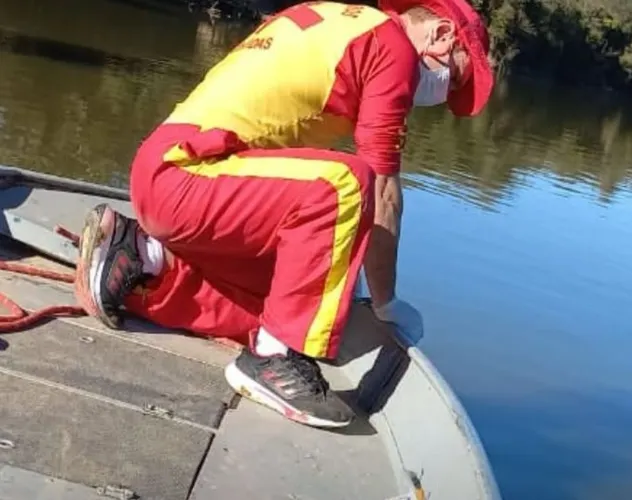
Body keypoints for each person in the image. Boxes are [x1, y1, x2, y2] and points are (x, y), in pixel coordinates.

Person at [72, 0, 493, 429]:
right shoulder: (392, 48)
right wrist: (386, 304)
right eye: (454, 77)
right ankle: (274, 358)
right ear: (441, 35)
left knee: (298, 298)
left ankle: (143, 264)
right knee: (346, 183)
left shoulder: (335, 18)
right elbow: (384, 192)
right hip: (187, 176)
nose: (442, 94)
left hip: (175, 175)